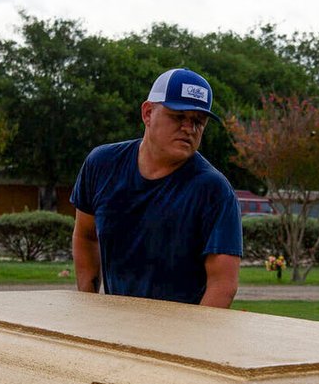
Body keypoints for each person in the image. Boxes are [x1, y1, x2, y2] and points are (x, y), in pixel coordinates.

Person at [70, 67, 242, 307]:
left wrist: (189, 342)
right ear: (148, 113)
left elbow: (223, 285)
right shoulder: (102, 165)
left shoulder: (214, 190)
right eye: (178, 116)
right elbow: (86, 236)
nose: (189, 128)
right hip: (113, 326)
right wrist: (89, 304)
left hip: (179, 334)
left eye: (198, 121)